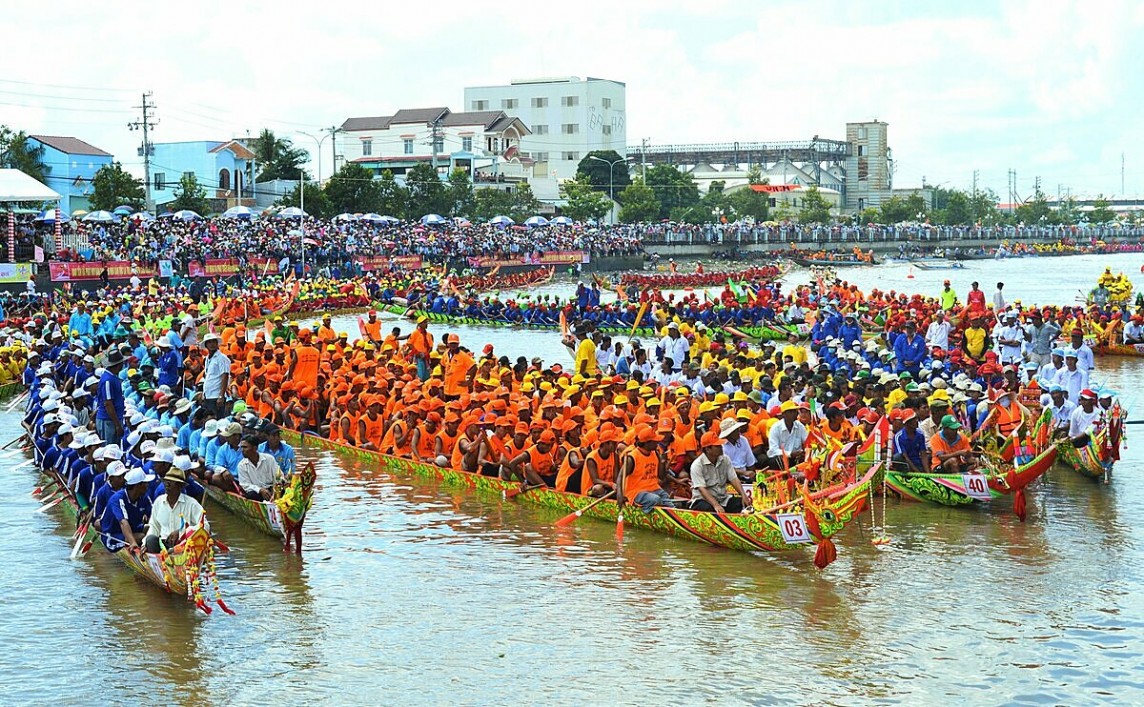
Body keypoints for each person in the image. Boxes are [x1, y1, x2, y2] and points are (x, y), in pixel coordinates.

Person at [144, 468, 207, 553]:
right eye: (166, 482)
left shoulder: (192, 504)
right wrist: (145, 544)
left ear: (180, 486)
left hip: (185, 545)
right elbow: (154, 527)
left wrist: (181, 532)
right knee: (150, 540)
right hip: (164, 545)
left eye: (171, 483)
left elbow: (205, 526)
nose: (167, 485)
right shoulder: (159, 502)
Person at [689, 429, 751, 513]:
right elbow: (702, 489)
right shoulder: (697, 465)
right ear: (708, 449)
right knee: (708, 509)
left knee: (740, 504)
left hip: (723, 499)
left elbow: (734, 479)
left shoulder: (725, 459)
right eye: (717, 446)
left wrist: (743, 495)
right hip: (703, 500)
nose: (721, 447)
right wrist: (716, 505)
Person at [617, 426, 672, 512]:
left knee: (668, 500)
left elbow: (661, 477)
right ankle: (645, 509)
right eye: (655, 441)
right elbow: (620, 478)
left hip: (654, 489)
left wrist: (662, 461)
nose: (657, 443)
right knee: (655, 499)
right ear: (647, 443)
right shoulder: (632, 458)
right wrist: (620, 496)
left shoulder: (655, 453)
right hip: (636, 493)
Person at [103, 467, 155, 552]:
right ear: (138, 485)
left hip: (133, 528)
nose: (148, 485)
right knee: (141, 537)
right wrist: (133, 543)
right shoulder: (117, 499)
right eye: (145, 483)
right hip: (112, 536)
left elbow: (153, 517)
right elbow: (123, 522)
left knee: (149, 529)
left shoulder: (144, 497)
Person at [236, 434, 282, 500]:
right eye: (242, 447)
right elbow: (245, 485)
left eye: (245, 447)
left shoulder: (269, 459)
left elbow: (279, 476)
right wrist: (260, 490)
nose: (242, 450)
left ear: (255, 448)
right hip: (258, 492)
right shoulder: (241, 465)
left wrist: (275, 491)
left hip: (272, 489)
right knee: (251, 495)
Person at [95, 349, 127, 444]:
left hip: (112, 419)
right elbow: (108, 404)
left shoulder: (112, 377)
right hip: (108, 420)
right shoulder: (107, 380)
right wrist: (117, 424)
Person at [767, 400, 807, 468]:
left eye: (795, 411)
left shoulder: (800, 426)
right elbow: (773, 450)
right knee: (775, 461)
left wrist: (804, 452)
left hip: (797, 459)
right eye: (791, 412)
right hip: (782, 459)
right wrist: (790, 454)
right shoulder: (775, 428)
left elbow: (807, 442)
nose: (795, 413)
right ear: (784, 414)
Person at [201, 333, 230, 418]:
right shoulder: (207, 358)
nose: (212, 344)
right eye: (209, 342)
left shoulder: (222, 358)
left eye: (214, 342)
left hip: (216, 395)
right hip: (208, 395)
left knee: (217, 419)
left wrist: (221, 396)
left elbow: (225, 376)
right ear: (206, 345)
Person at [892, 409, 930, 473]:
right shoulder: (898, 437)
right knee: (897, 457)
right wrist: (917, 473)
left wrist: (927, 473)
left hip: (917, 463)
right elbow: (904, 456)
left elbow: (923, 454)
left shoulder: (920, 434)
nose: (916, 421)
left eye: (916, 418)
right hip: (906, 465)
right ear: (907, 423)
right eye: (913, 420)